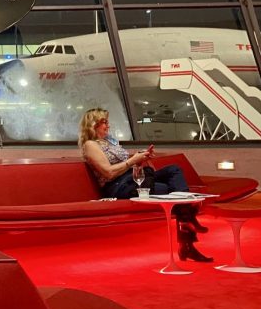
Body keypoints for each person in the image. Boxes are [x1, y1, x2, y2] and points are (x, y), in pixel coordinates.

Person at [78, 108, 212, 263]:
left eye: (107, 122)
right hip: (118, 186)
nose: (108, 125)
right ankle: (188, 228)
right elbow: (108, 173)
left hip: (132, 179)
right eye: (104, 122)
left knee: (173, 170)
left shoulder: (109, 142)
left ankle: (186, 222)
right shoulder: (90, 145)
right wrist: (133, 160)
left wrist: (141, 158)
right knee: (170, 192)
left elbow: (126, 164)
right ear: (93, 124)